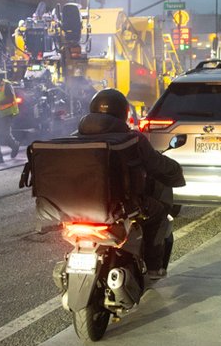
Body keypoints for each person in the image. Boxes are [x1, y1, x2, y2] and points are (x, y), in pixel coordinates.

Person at [76, 88, 185, 279]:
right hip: (120, 205)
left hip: (76, 206)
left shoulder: (73, 138)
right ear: (123, 113)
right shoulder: (133, 139)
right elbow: (157, 165)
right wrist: (176, 173)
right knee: (158, 213)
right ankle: (153, 268)